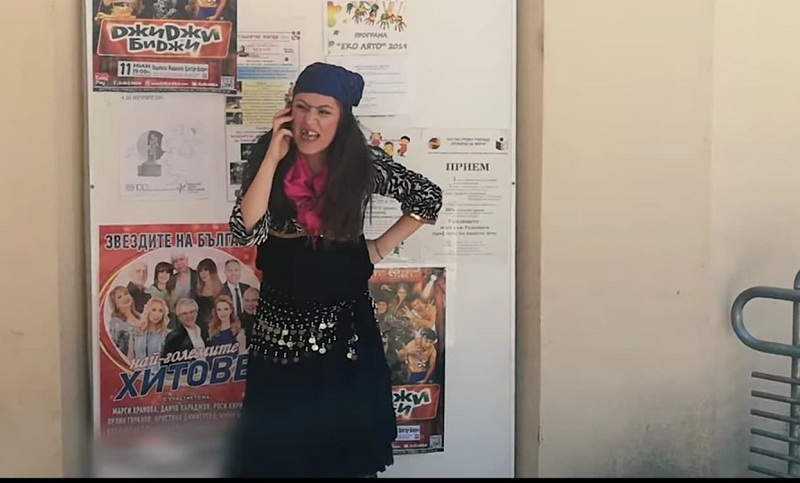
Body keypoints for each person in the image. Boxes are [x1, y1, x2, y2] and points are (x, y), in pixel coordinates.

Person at [224, 62, 443, 478]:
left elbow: (427, 197)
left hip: (344, 335)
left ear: (342, 118)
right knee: (277, 456)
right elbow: (246, 231)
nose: (310, 121)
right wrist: (272, 157)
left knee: (341, 459)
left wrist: (378, 247)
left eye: (324, 111)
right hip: (278, 332)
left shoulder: (361, 164)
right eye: (302, 107)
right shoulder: (270, 155)